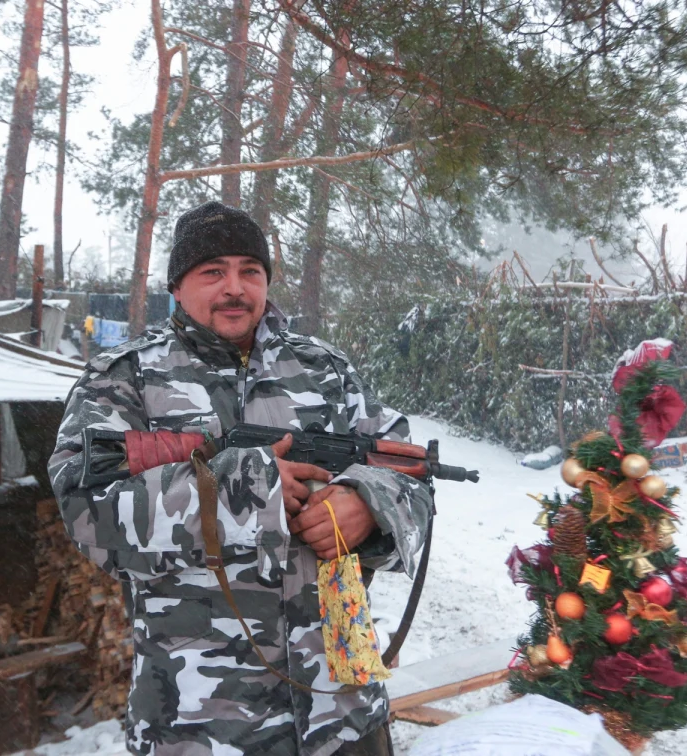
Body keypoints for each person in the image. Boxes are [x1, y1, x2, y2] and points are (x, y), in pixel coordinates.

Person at [49, 201, 432, 756]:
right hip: (201, 722)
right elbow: (85, 511)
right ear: (177, 287)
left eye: (250, 271)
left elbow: (411, 469)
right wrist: (250, 491)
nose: (235, 287)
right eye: (213, 271)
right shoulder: (125, 380)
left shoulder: (324, 370)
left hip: (344, 709)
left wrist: (368, 506)